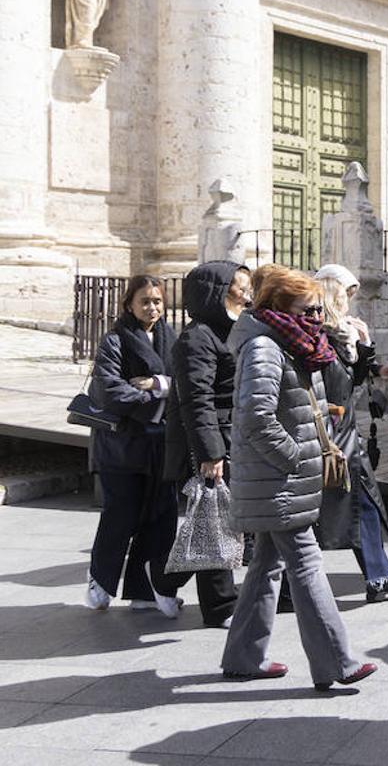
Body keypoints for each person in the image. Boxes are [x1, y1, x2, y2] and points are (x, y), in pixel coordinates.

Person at [220, 268, 376, 690]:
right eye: (307, 309)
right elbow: (256, 417)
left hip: (281, 477)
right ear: (279, 308)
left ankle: (242, 657)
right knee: (305, 564)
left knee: (267, 566)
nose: (316, 316)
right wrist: (293, 457)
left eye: (317, 308)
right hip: (278, 478)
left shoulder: (288, 345)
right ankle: (336, 662)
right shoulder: (266, 349)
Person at [313, 265, 388, 602]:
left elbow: (352, 380)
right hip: (327, 435)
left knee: (367, 505)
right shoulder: (319, 334)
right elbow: (333, 384)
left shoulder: (343, 333)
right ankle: (289, 585)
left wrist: (366, 349)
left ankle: (378, 576)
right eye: (345, 294)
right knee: (317, 516)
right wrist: (360, 352)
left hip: (346, 434)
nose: (349, 301)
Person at [84, 275, 180, 617]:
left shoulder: (172, 338)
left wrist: (160, 385)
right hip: (121, 446)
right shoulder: (114, 341)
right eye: (144, 301)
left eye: (157, 300)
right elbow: (108, 389)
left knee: (158, 517)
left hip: (160, 445)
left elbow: (183, 381)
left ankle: (143, 589)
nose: (152, 307)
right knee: (119, 516)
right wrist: (151, 397)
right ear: (129, 304)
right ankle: (100, 579)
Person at [162, 260, 247, 628]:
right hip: (210, 445)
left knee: (221, 520)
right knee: (213, 522)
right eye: (238, 289)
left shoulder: (229, 331)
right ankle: (219, 606)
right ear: (216, 293)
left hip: (234, 436)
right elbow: (196, 400)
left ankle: (163, 580)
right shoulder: (196, 338)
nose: (246, 295)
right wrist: (210, 453)